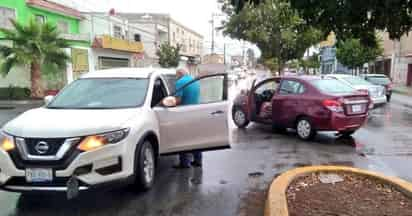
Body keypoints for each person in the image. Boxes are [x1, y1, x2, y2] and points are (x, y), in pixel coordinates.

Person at [172, 68, 202, 169]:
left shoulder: (180, 82)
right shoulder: (195, 81)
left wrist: (168, 102)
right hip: (196, 112)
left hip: (184, 113)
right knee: (195, 138)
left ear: (180, 74)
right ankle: (198, 160)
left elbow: (178, 100)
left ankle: (184, 163)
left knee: (183, 139)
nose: (176, 77)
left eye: (176, 75)